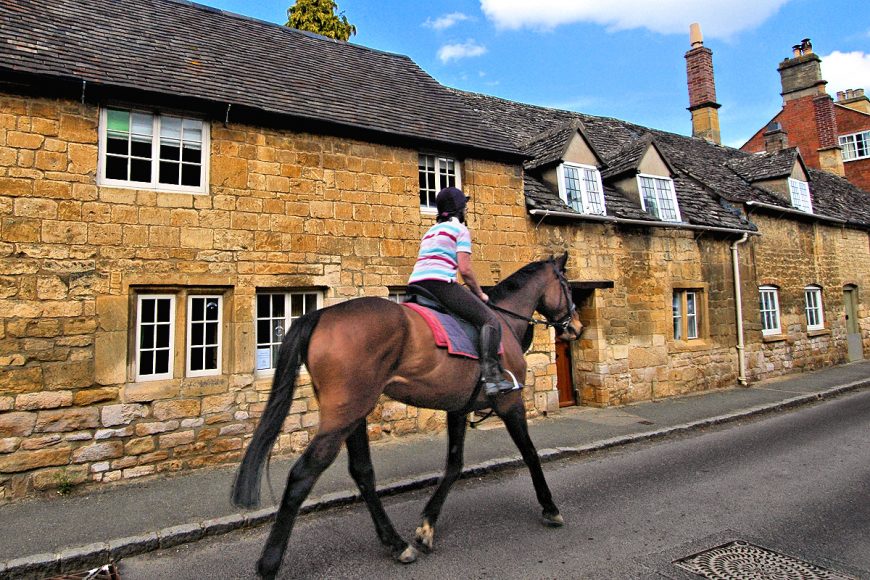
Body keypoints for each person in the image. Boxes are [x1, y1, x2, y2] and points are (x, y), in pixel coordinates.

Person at [408, 186, 514, 396]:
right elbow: (465, 270)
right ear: (460, 209)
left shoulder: (430, 232)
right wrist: (480, 294)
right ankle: (491, 378)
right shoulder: (461, 230)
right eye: (465, 206)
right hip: (440, 284)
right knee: (490, 320)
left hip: (416, 284)